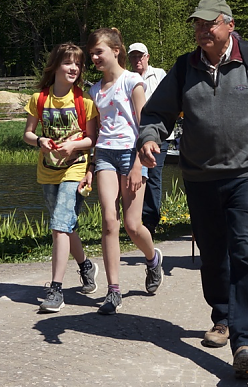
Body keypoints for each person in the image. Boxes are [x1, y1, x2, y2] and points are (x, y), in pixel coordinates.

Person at [137, 0, 248, 379]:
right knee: (212, 252)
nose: (202, 30)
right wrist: (150, 137)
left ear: (228, 25)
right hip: (200, 175)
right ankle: (221, 317)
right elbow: (157, 112)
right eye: (197, 25)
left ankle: (246, 342)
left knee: (242, 250)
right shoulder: (184, 67)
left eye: (209, 24)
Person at [83, 28, 163, 315]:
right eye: (91, 53)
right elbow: (96, 131)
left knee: (132, 225)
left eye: (98, 52)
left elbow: (145, 125)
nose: (93, 57)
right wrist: (91, 166)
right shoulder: (94, 90)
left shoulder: (133, 82)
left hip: (132, 154)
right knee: (108, 220)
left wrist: (140, 163)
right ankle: (113, 291)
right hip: (105, 154)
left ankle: (153, 259)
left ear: (116, 51)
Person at [23, 43, 101, 313]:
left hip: (75, 169)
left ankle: (55, 290)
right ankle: (86, 266)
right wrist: (40, 140)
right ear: (55, 65)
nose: (74, 68)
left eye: (78, 64)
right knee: (66, 226)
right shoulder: (39, 99)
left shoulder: (85, 101)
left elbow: (92, 138)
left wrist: (75, 147)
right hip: (47, 170)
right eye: (69, 62)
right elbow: (28, 134)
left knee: (59, 225)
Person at [128, 43, 169, 236]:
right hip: (135, 136)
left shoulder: (159, 75)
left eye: (140, 56)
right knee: (136, 176)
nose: (137, 60)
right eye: (133, 57)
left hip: (158, 135)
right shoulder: (128, 78)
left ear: (147, 56)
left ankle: (150, 221)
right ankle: (135, 220)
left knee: (153, 176)